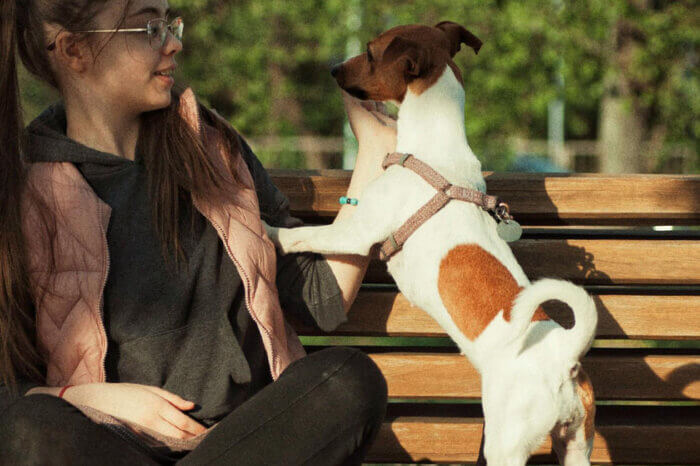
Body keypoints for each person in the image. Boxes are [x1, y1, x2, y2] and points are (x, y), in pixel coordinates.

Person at [0, 0, 397, 464]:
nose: (173, 42)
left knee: (349, 377)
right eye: (149, 27)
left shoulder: (211, 146)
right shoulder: (24, 190)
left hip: (256, 442)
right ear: (74, 51)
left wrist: (375, 151)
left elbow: (320, 297)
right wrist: (83, 397)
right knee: (30, 431)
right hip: (113, 450)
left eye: (170, 23)